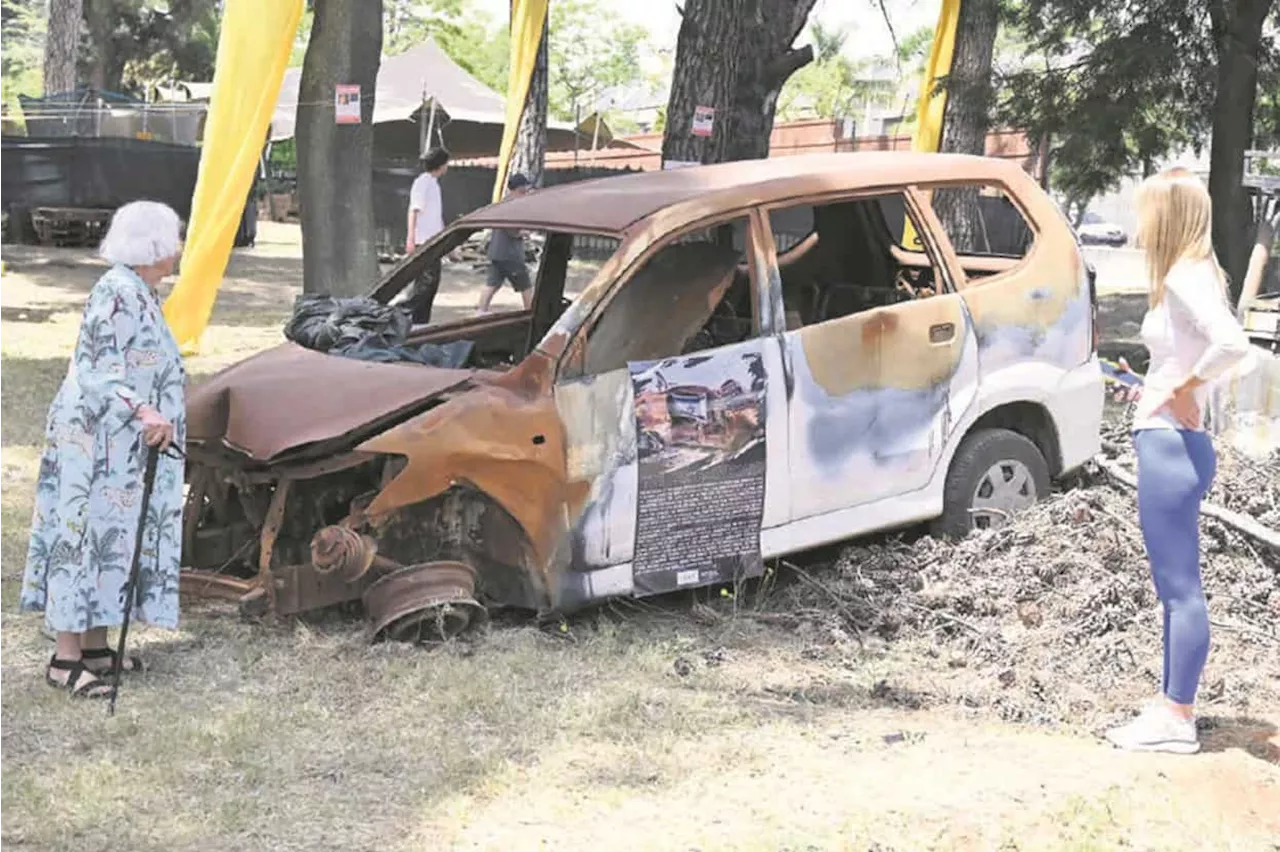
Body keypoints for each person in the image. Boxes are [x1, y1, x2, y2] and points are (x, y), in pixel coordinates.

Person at [1105, 169, 1253, 753]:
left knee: (1179, 588)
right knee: (1175, 588)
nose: (1138, 224)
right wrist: (1154, 385)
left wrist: (1186, 390)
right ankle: (1172, 705)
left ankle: (1177, 717)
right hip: (1172, 440)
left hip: (1171, 445)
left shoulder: (1187, 275)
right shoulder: (1193, 274)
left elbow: (1232, 344)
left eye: (1146, 211)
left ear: (1169, 215)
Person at [19, 200, 187, 699]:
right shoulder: (115, 292)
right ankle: (64, 658)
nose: (178, 247)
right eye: (173, 238)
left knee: (110, 540)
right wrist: (144, 410)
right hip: (94, 442)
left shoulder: (141, 292)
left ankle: (95, 644)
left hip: (123, 445)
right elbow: (97, 370)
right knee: (81, 537)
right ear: (152, 246)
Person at [477, 172, 535, 315]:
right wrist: (524, 232)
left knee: (492, 284)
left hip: (497, 252)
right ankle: (531, 313)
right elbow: (511, 229)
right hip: (511, 255)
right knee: (525, 285)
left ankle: (481, 311)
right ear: (520, 188)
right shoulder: (513, 205)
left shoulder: (503, 202)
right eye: (525, 188)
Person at [404, 147, 450, 323]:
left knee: (431, 284)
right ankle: (410, 317)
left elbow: (436, 217)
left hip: (433, 241)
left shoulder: (433, 183)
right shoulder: (422, 182)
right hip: (423, 241)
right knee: (425, 284)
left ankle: (421, 321)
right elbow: (413, 210)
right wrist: (411, 238)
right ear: (441, 164)